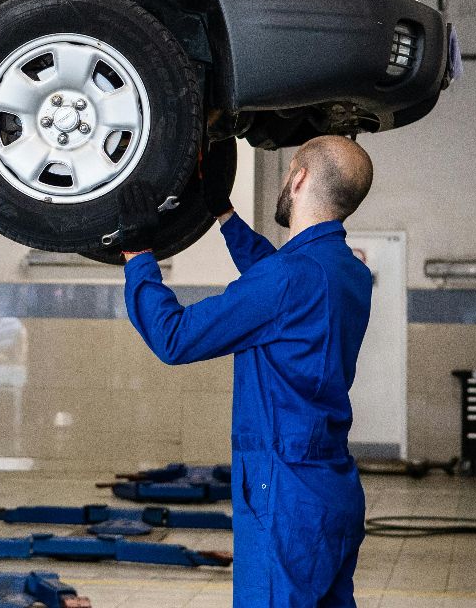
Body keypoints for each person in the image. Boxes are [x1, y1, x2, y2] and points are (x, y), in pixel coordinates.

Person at [120, 135, 376, 608]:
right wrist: (223, 215)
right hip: (331, 487)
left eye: (288, 171)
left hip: (284, 492)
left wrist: (138, 258)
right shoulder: (348, 272)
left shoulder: (287, 279)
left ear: (297, 178)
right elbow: (278, 279)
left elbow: (174, 339)